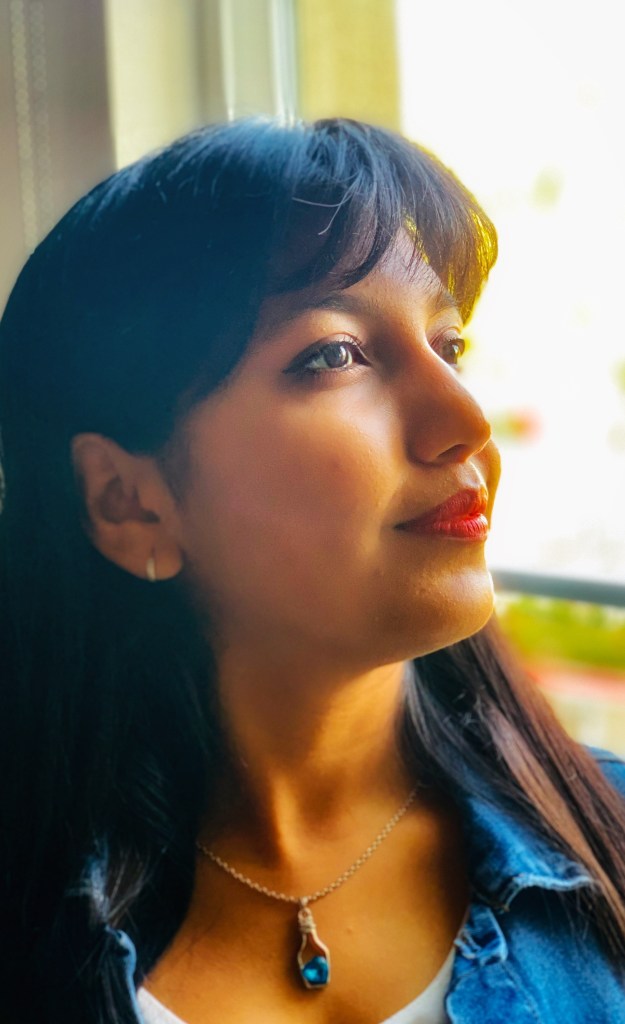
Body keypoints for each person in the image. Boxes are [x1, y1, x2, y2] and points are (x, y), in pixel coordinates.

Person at [0, 117, 624, 1024]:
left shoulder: (607, 833)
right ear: (129, 502)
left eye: (449, 346)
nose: (464, 422)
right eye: (334, 355)